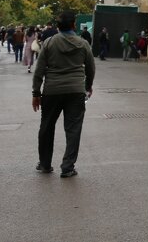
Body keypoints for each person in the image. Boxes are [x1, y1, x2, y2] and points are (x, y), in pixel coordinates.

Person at [32, 10, 96, 177]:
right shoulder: (83, 44)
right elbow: (90, 67)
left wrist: (36, 93)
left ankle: (45, 164)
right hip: (75, 90)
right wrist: (88, 86)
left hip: (52, 90)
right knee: (73, 129)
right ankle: (67, 167)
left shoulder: (49, 42)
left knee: (46, 126)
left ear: (57, 26)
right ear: (74, 25)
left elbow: (39, 70)